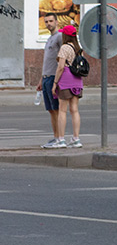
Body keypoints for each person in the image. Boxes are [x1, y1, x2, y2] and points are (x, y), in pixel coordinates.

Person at [52, 24, 85, 148]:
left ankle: (61, 140)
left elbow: (60, 67)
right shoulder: (79, 48)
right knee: (75, 110)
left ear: (65, 36)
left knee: (62, 110)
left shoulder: (64, 48)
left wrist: (55, 83)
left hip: (65, 79)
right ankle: (76, 139)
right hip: (77, 80)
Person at [37, 13, 66, 149]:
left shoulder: (60, 37)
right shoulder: (49, 38)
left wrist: (58, 79)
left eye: (51, 21)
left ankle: (61, 138)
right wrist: (41, 79)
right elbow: (47, 61)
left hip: (55, 78)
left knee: (57, 108)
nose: (48, 24)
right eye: (46, 21)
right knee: (51, 110)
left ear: (56, 21)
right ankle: (55, 137)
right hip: (46, 78)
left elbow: (63, 58)